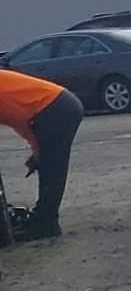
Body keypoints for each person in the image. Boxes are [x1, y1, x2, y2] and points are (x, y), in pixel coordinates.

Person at [0, 67, 81, 243]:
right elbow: (22, 118)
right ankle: (44, 219)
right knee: (49, 165)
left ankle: (47, 224)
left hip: (55, 107)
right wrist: (37, 151)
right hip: (56, 105)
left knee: (52, 169)